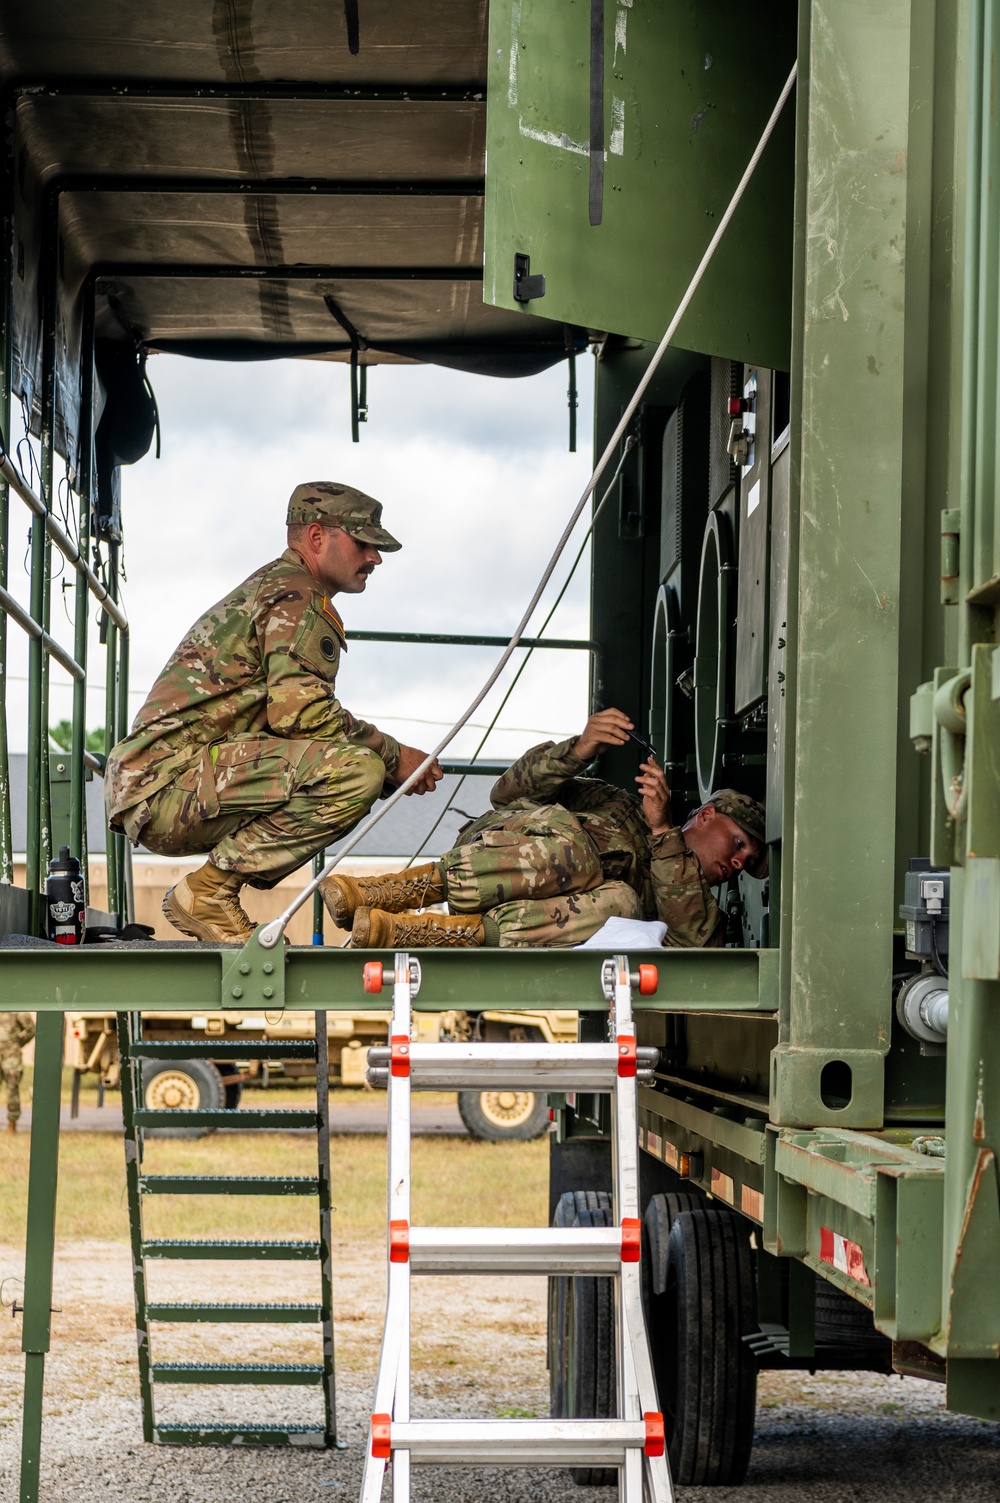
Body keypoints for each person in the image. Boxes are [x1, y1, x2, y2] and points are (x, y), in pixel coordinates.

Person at [106, 482, 443, 943]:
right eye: (363, 543)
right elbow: (303, 716)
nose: (375, 558)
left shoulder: (283, 587)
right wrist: (393, 756)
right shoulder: (295, 595)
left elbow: (296, 723)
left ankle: (211, 892)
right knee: (357, 772)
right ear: (318, 537)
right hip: (168, 783)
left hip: (165, 783)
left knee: (355, 768)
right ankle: (209, 893)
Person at [321, 707, 766, 948]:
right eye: (740, 843)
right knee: (576, 843)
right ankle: (393, 891)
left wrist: (663, 834)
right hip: (493, 853)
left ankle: (420, 932)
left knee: (623, 901)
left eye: (746, 863)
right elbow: (507, 794)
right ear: (707, 815)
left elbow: (691, 945)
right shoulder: (615, 805)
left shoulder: (703, 912)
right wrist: (578, 749)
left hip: (506, 922)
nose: (737, 862)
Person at [1, 1012, 35, 1134]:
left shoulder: (16, 1009)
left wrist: (17, 1043)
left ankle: (12, 1124)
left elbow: (31, 1029)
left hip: (11, 1056)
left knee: (12, 1089)